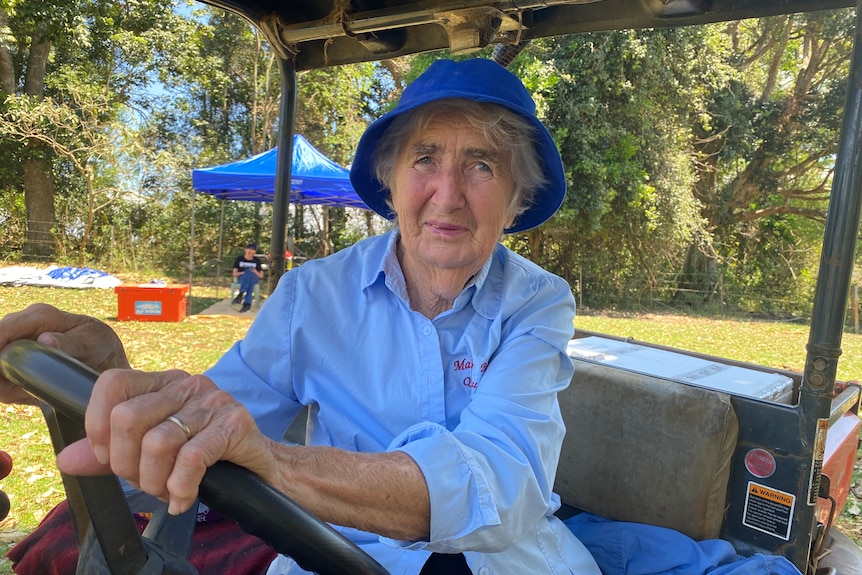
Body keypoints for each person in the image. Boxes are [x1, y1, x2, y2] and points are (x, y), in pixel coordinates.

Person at [0, 59, 803, 575]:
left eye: (481, 165)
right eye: (427, 158)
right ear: (389, 182)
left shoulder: (537, 301)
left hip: (507, 561)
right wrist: (112, 373)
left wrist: (282, 467)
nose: (448, 194)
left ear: (517, 198)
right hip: (328, 555)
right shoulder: (312, 295)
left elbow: (500, 480)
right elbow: (219, 417)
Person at [232, 242, 264, 312]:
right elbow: (234, 274)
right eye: (249, 249)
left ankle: (241, 293)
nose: (251, 252)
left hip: (255, 277)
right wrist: (244, 272)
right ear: (245, 249)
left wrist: (255, 271)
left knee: (250, 273)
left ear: (255, 252)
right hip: (242, 278)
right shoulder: (239, 259)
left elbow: (261, 276)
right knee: (249, 277)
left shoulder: (257, 261)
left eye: (253, 250)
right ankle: (247, 304)